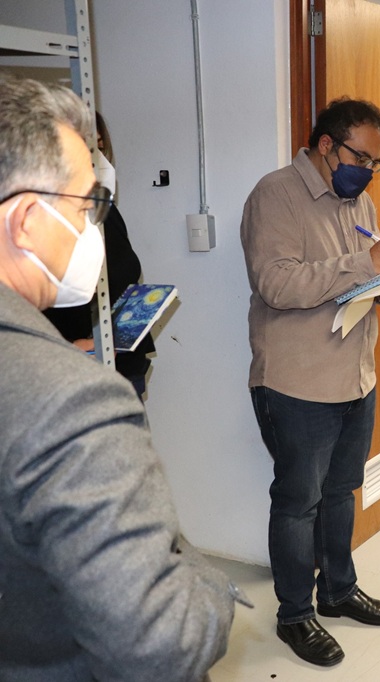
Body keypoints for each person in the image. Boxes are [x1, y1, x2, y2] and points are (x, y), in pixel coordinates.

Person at [0, 74, 238, 681]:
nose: (93, 228)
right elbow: (161, 643)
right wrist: (203, 580)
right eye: (87, 207)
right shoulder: (70, 403)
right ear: (26, 221)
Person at [241, 96, 380, 668]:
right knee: (298, 502)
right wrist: (365, 265)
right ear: (326, 146)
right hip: (298, 382)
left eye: (375, 162)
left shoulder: (357, 197)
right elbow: (277, 285)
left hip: (354, 375)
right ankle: (295, 616)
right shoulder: (276, 194)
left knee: (339, 493)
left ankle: (337, 591)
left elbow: (357, 276)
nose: (369, 171)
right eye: (363, 157)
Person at [43, 112, 155, 398]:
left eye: (100, 146)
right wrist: (65, 346)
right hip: (73, 372)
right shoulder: (42, 215)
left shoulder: (106, 211)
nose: (97, 156)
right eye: (86, 146)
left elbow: (120, 275)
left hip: (123, 368)